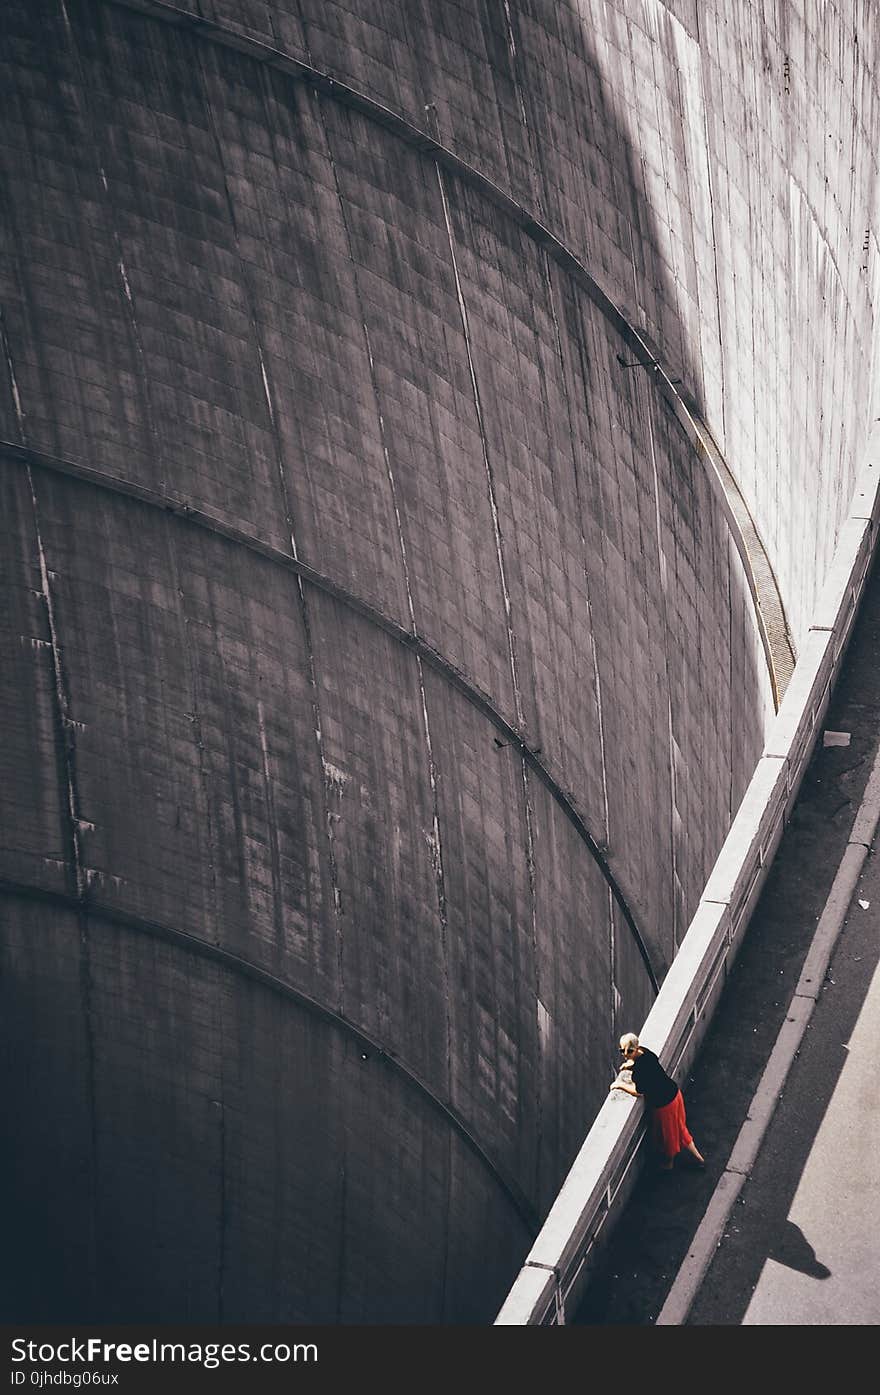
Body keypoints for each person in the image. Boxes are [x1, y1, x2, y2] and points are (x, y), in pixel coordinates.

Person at [609, 1032, 705, 1171]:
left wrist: (620, 1085)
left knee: (669, 1136)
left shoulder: (639, 1071)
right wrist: (630, 1064)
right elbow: (645, 1064)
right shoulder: (646, 1053)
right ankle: (699, 1158)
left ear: (636, 1049)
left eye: (628, 1051)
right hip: (674, 1094)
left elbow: (638, 1091)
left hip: (665, 1104)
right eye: (622, 1050)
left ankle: (669, 1164)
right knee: (680, 1129)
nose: (625, 1054)